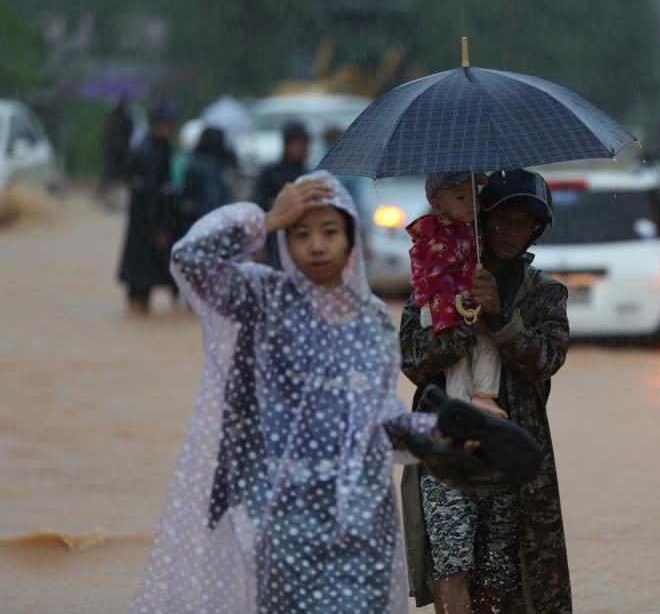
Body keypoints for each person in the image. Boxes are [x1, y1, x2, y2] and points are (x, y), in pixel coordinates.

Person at [131, 171, 443, 613]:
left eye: (329, 232)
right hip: (284, 523)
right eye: (301, 234)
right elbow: (190, 261)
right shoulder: (264, 298)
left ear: (351, 237)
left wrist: (439, 434)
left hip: (364, 525)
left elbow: (379, 422)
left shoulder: (373, 318)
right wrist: (267, 220)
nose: (316, 245)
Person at [400, 168, 573, 613]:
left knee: (503, 580)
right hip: (446, 444)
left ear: (535, 230)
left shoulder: (545, 294)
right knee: (450, 564)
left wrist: (499, 316)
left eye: (521, 223)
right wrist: (457, 318)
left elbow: (544, 362)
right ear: (480, 218)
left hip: (510, 450)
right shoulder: (435, 274)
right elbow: (413, 362)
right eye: (499, 219)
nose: (508, 231)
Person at [407, 171, 506, 421]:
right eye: (460, 197)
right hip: (444, 310)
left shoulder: (471, 232)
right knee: (458, 362)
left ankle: (483, 396)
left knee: (488, 343)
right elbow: (437, 280)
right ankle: (458, 406)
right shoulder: (440, 239)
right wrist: (447, 321)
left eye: (474, 194)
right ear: (438, 205)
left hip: (464, 307)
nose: (471, 202)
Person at [117, 102, 179, 314]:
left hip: (142, 225)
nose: (170, 130)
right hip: (147, 227)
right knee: (141, 284)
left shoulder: (152, 146)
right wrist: (160, 227)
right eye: (167, 125)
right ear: (159, 125)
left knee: (141, 280)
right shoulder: (152, 151)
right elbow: (153, 193)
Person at [252, 120, 310, 267]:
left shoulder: (308, 175)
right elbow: (258, 209)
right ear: (286, 145)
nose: (300, 149)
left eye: (303, 144)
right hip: (274, 240)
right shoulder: (271, 173)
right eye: (296, 144)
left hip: (301, 240)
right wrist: (259, 244)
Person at [177, 126, 236, 236]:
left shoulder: (194, 162)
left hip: (194, 223)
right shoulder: (213, 166)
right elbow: (213, 200)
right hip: (209, 224)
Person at [97, 98, 134, 200]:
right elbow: (108, 135)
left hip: (119, 151)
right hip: (114, 151)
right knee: (110, 172)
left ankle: (106, 193)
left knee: (117, 172)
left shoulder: (121, 119)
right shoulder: (115, 118)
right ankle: (103, 193)